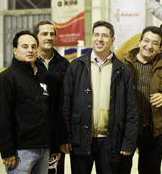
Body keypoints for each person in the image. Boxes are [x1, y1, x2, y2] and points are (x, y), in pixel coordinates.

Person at [59, 21, 138, 174]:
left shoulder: (123, 71)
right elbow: (65, 104)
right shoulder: (75, 66)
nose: (99, 39)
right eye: (96, 35)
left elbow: (131, 109)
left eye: (105, 35)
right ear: (92, 38)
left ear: (112, 40)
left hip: (111, 141)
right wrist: (65, 138)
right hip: (80, 139)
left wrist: (128, 142)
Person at [0, 31, 56, 173]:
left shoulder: (41, 77)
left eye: (33, 47)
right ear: (15, 50)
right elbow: (0, 118)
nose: (30, 50)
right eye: (25, 46)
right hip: (21, 152)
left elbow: (49, 113)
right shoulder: (6, 79)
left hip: (43, 150)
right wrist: (7, 151)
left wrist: (52, 146)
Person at [120, 26, 162, 174]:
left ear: (159, 48)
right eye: (146, 41)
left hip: (153, 130)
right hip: (125, 129)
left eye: (155, 43)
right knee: (120, 170)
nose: (149, 46)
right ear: (139, 42)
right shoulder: (122, 64)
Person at [33, 20, 70, 173]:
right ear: (36, 37)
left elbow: (67, 102)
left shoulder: (64, 65)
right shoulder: (28, 63)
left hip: (57, 134)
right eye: (44, 34)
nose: (48, 37)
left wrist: (64, 137)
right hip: (33, 135)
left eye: (51, 34)